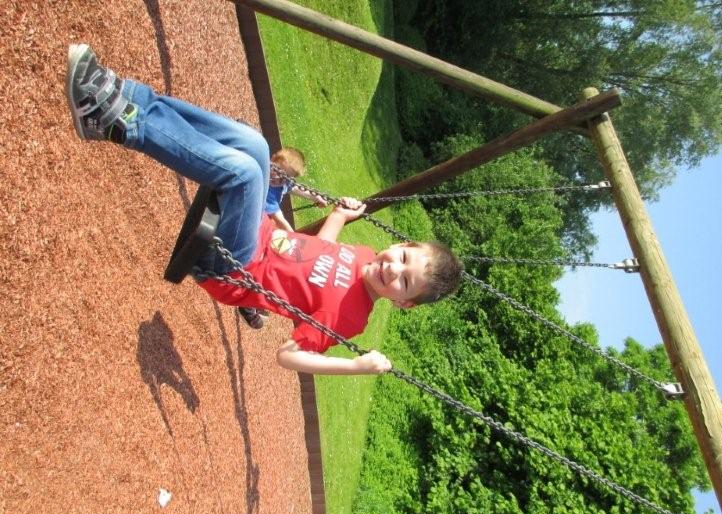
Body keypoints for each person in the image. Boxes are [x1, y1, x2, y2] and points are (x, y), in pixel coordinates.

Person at [65, 43, 462, 376]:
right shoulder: (361, 256)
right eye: (404, 258)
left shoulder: (349, 319)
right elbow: (321, 251)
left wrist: (355, 366)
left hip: (235, 269)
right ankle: (129, 97)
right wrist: (339, 216)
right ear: (402, 245)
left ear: (403, 303)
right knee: (255, 145)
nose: (393, 269)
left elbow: (288, 356)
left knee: (244, 175)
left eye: (404, 282)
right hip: (255, 234)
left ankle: (119, 120)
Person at [265, 147, 328, 233]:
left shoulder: (284, 183)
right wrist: (293, 235)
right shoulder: (267, 191)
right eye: (277, 170)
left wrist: (316, 197)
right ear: (272, 159)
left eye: (283, 178)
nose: (277, 177)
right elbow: (279, 220)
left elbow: (294, 188)